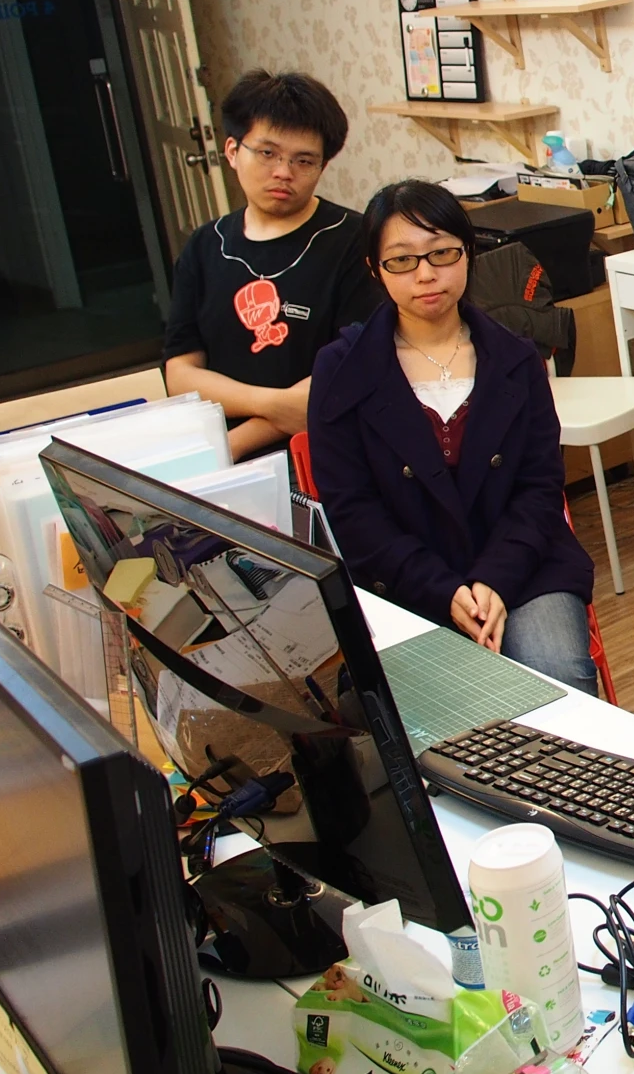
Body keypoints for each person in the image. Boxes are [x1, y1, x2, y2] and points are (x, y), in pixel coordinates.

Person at [306, 181, 600, 694]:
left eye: (442, 253)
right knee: (431, 711)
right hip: (404, 580)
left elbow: (539, 488)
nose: (426, 274)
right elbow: (352, 513)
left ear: (468, 255)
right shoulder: (342, 370)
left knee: (559, 683)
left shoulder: (516, 359)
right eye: (402, 260)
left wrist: (494, 583)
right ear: (375, 269)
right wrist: (445, 591)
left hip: (522, 567)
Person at [163, 70, 378, 460]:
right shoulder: (205, 246)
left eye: (304, 160)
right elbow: (180, 374)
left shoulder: (356, 240)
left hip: (320, 453)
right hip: (218, 448)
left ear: (322, 167)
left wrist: (230, 449)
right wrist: (272, 404)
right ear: (232, 151)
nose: (284, 172)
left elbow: (349, 374)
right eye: (268, 153)